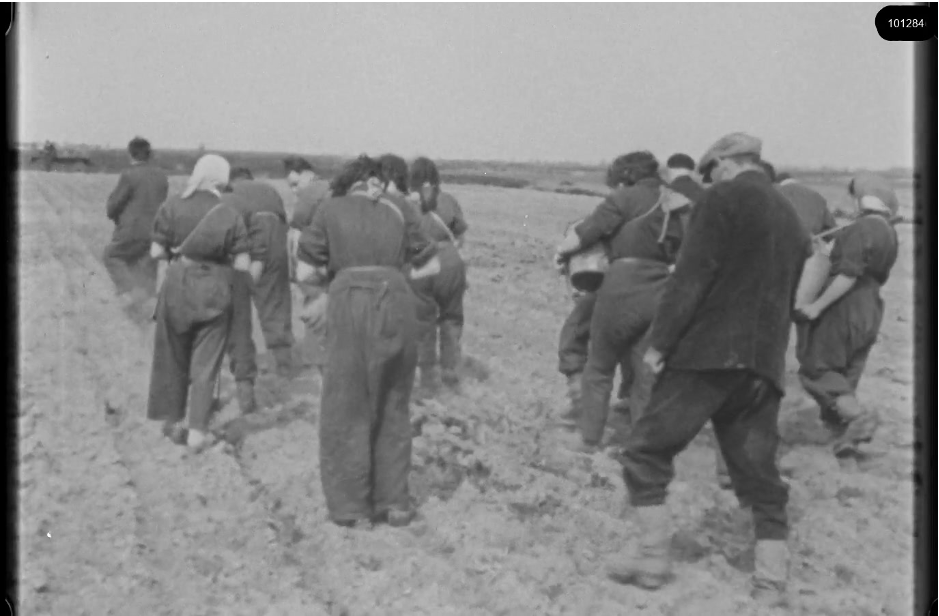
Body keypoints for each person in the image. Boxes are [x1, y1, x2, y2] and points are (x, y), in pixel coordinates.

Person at [606, 133, 811, 607]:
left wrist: (659, 345)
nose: (709, 179)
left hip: (708, 355)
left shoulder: (722, 198)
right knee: (759, 475)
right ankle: (770, 582)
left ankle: (652, 559)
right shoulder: (790, 215)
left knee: (644, 451)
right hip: (763, 364)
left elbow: (692, 276)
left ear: (724, 164)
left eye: (710, 170)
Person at [295, 155, 439, 528]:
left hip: (350, 300)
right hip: (397, 301)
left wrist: (336, 283)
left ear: (349, 182)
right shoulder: (400, 208)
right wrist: (391, 276)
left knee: (347, 405)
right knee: (394, 402)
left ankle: (351, 507)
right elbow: (431, 265)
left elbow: (305, 271)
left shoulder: (329, 209)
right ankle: (394, 503)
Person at [555, 152, 692, 453]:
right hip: (662, 288)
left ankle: (590, 439)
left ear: (627, 176)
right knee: (645, 372)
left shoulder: (624, 199)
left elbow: (584, 233)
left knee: (600, 366)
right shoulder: (678, 202)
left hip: (622, 285)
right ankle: (642, 446)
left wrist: (561, 251)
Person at [146, 154, 252, 453]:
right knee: (205, 367)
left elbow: (155, 252)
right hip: (215, 290)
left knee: (173, 356)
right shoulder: (228, 212)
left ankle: (173, 422)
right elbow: (243, 263)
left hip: (178, 284)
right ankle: (197, 432)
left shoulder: (172, 205)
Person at [794, 172, 899, 457]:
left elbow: (848, 274)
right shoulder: (888, 232)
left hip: (844, 305)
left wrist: (816, 306)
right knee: (846, 373)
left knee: (819, 369)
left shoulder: (859, 230)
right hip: (871, 306)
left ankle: (859, 419)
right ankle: (844, 439)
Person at [222, 166, 295, 413]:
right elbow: (284, 221)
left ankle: (239, 367)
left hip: (247, 238)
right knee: (275, 301)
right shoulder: (269, 189)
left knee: (238, 306)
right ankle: (284, 364)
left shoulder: (230, 192)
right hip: (274, 239)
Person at [404, 156, 470, 397]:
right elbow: (460, 237)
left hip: (422, 264)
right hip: (451, 263)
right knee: (451, 318)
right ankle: (451, 376)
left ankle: (428, 380)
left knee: (424, 321)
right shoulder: (449, 200)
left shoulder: (406, 204)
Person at [103, 136, 169, 312]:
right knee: (146, 266)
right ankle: (146, 305)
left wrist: (115, 215)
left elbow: (113, 206)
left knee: (112, 255)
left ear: (130, 154)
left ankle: (130, 290)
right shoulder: (162, 176)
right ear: (149, 154)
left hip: (132, 230)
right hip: (156, 231)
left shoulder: (129, 174)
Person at [284, 156, 332, 374]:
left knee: (315, 317)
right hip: (339, 265)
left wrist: (294, 277)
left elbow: (295, 237)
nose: (295, 191)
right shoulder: (333, 188)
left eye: (295, 184)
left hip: (316, 267)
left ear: (306, 175)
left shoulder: (309, 194)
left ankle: (320, 371)